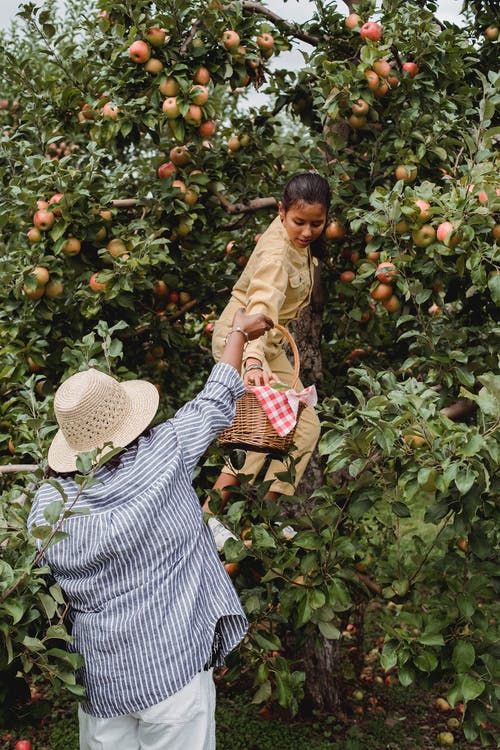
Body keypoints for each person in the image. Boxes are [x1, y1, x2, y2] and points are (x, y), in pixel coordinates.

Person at [27, 307, 273, 750]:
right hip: (172, 664)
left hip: (102, 678)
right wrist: (238, 331)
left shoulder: (49, 505)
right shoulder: (164, 453)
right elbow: (216, 401)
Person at [204, 172, 331, 550]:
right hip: (243, 339)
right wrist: (253, 362)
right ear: (281, 212)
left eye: (316, 224)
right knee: (266, 428)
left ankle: (267, 516)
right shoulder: (277, 254)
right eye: (299, 222)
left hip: (271, 344)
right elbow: (260, 305)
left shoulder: (299, 243)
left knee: (306, 427)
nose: (307, 232)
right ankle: (209, 516)